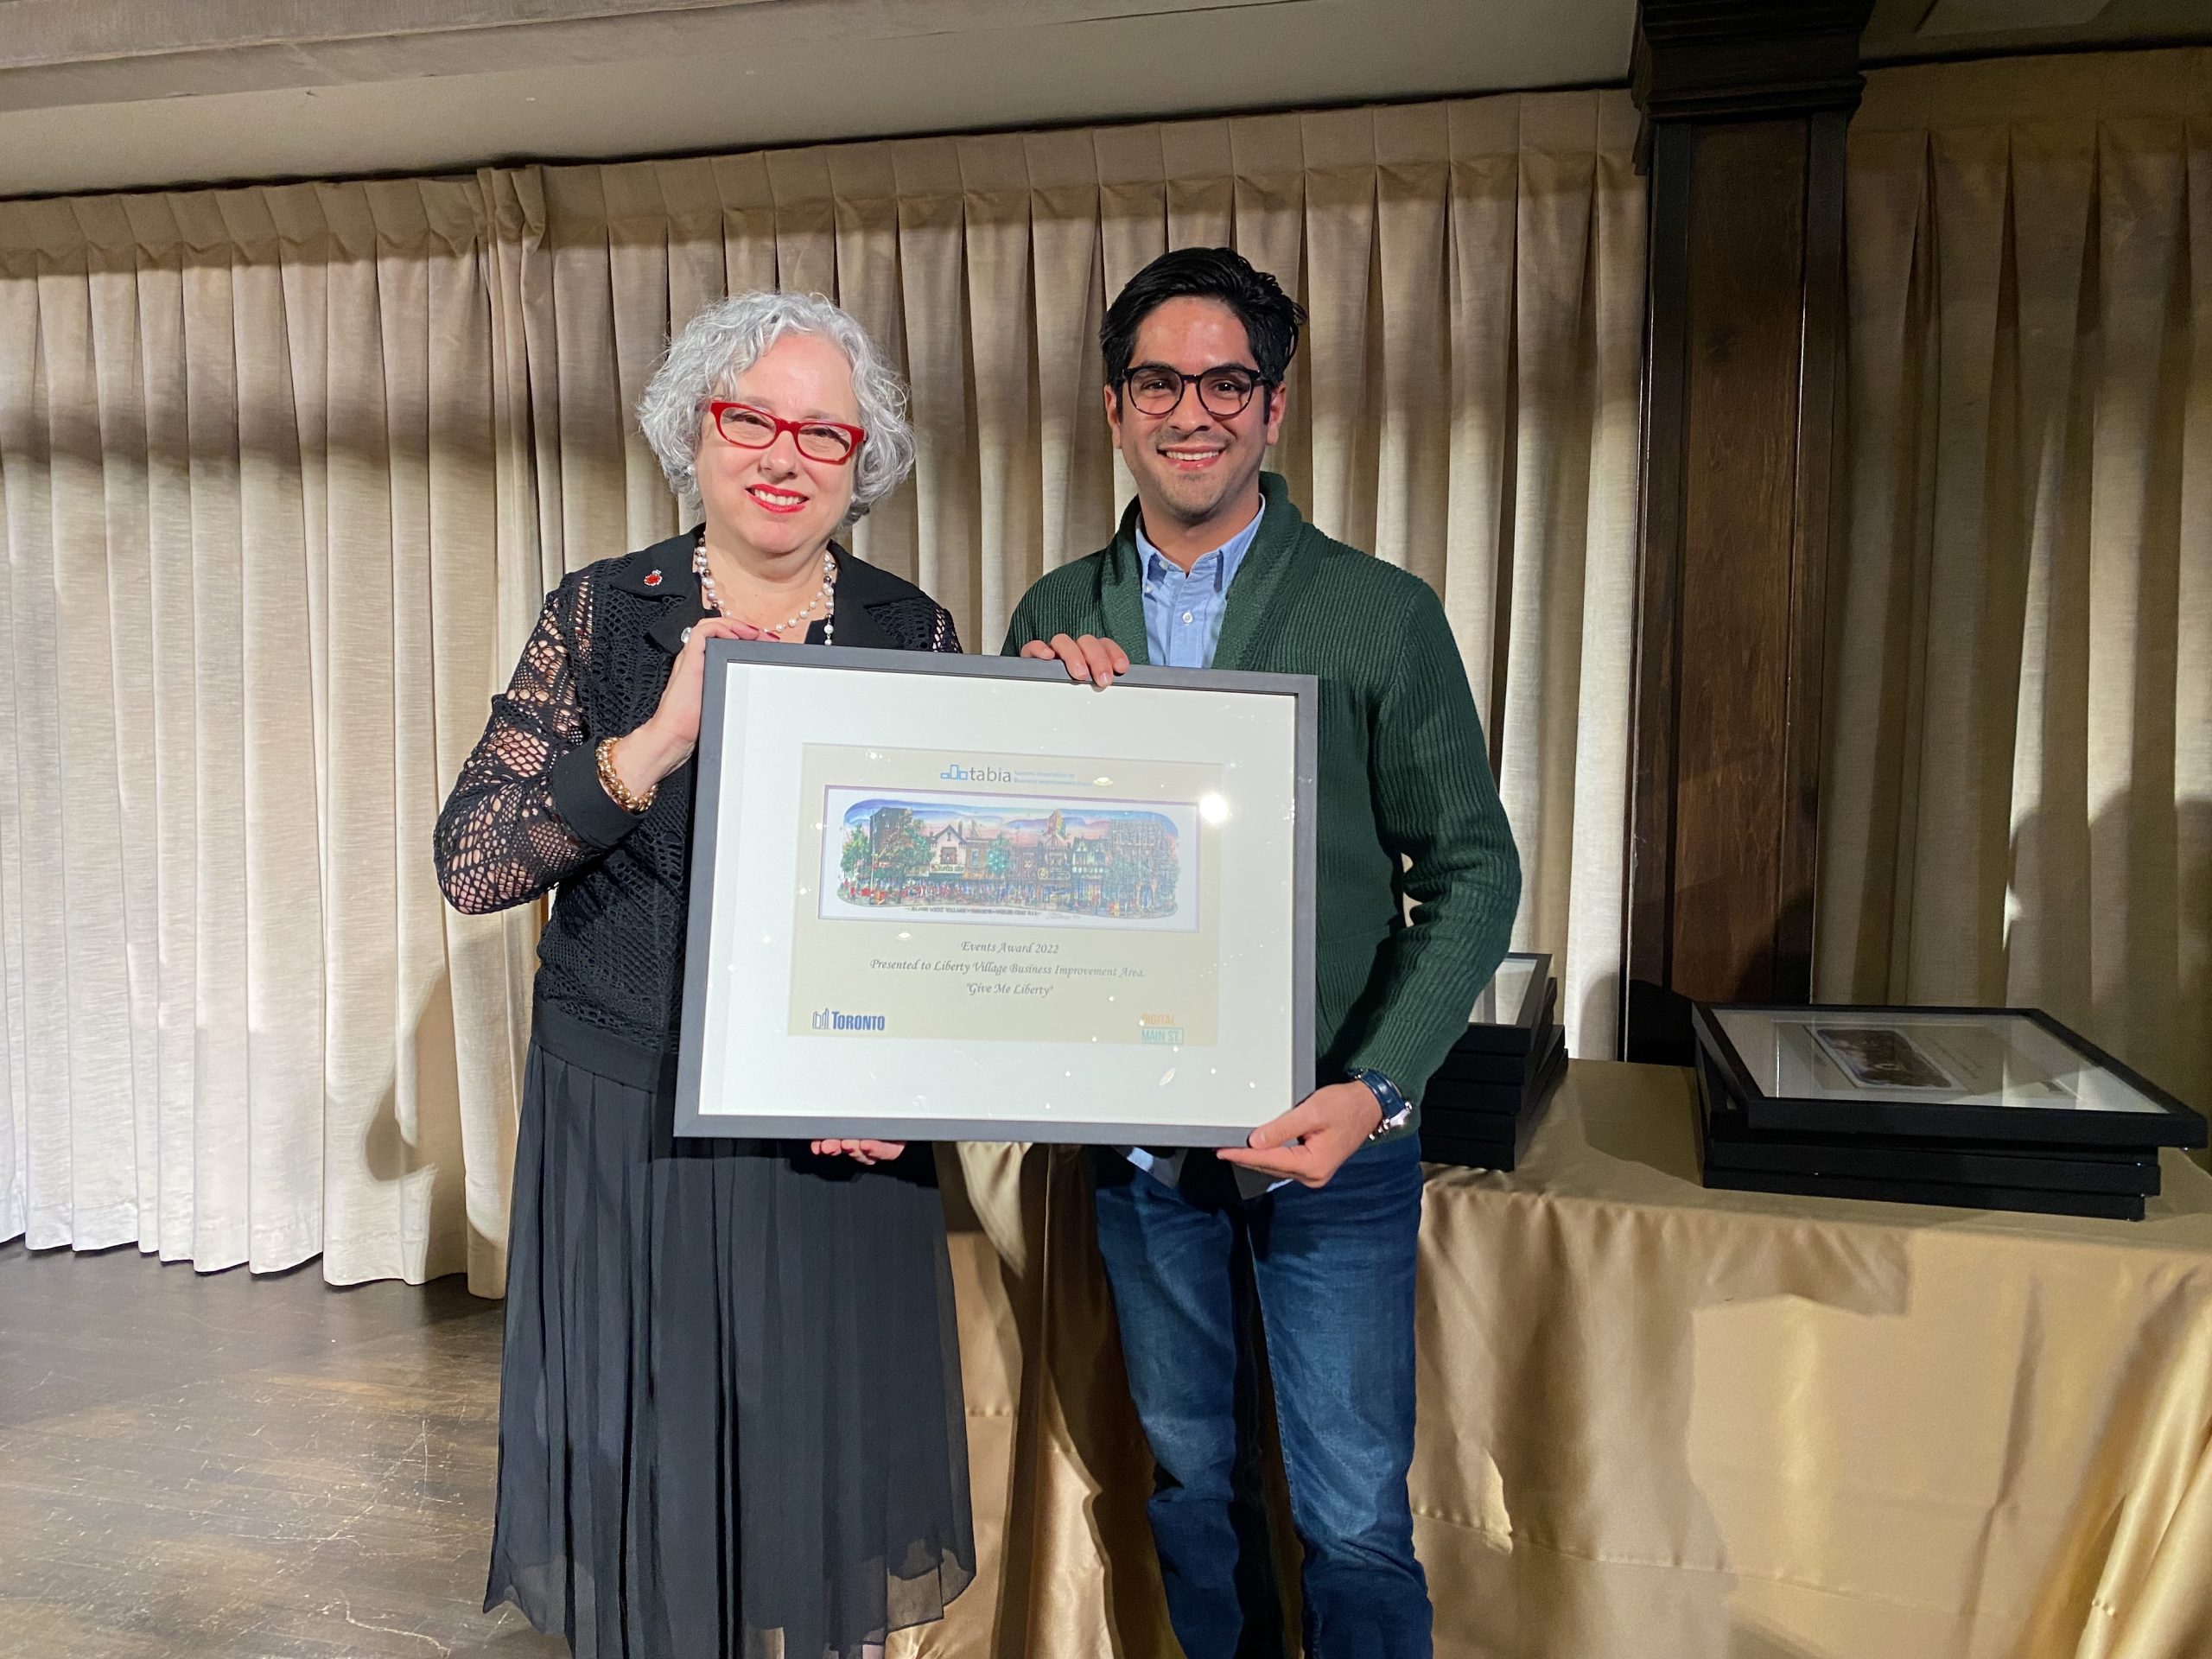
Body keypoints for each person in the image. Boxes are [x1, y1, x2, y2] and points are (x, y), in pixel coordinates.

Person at [435, 290, 975, 1659]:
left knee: (813, 1487)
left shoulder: (912, 629)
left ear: (863, 458)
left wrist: (899, 1080)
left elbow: (933, 904)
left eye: (823, 432)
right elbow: (475, 862)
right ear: (694, 431)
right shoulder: (603, 613)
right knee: (655, 1489)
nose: (785, 455)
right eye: (752, 420)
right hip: (631, 1116)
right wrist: (655, 742)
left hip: (829, 1134)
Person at [1004, 247, 1521, 1659]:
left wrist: (1377, 1091)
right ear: (1114, 408)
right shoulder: (1054, 616)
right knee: (1190, 1480)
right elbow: (1020, 878)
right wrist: (1021, 726)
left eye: (1226, 382)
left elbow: (1474, 874)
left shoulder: (1381, 611)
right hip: (1138, 1151)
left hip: (1334, 1132)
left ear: (1274, 408)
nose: (1192, 412)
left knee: (1352, 1513)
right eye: (1157, 383)